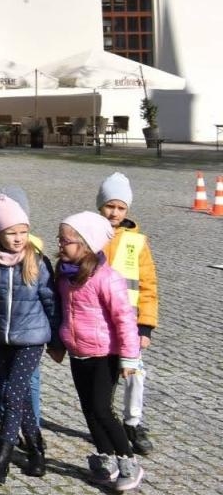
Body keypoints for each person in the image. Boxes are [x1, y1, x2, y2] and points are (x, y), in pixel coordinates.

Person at [49, 212, 143, 492]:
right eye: (60, 239)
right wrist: (58, 344)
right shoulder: (65, 275)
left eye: (66, 241)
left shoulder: (106, 278)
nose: (61, 245)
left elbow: (124, 319)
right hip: (79, 352)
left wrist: (129, 357)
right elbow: (61, 312)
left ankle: (128, 460)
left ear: (86, 244)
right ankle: (106, 459)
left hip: (105, 354)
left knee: (103, 408)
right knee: (89, 409)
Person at [0, 194, 55, 484]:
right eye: (12, 233)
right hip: (2, 339)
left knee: (13, 394)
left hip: (32, 338)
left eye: (23, 231)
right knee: (10, 396)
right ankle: (36, 450)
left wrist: (58, 340)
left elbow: (50, 300)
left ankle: (1, 460)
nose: (19, 238)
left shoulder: (36, 260)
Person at [96, 172, 158, 456]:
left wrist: (145, 326)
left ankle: (133, 421)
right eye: (110, 206)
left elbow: (147, 285)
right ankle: (105, 420)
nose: (115, 212)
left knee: (135, 374)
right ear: (100, 206)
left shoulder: (137, 242)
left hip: (130, 324)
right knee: (104, 377)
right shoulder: (92, 235)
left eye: (121, 208)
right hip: (98, 322)